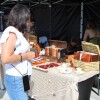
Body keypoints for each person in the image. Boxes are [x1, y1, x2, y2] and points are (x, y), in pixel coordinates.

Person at [0, 4, 35, 100]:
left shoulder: (18, 33)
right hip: (16, 79)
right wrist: (27, 56)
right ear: (22, 18)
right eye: (28, 19)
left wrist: (26, 33)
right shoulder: (12, 32)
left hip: (21, 77)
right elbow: (5, 58)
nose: (29, 21)